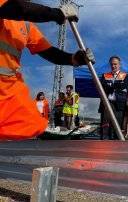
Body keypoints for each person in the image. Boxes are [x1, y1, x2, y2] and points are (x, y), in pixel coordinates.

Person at [0, 0, 94, 140]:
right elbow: (18, 9)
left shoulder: (26, 26)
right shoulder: (7, 6)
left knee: (31, 126)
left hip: (9, 88)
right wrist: (56, 14)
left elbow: (50, 52)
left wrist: (74, 59)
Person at [99, 56, 128, 140]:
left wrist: (111, 86)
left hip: (119, 105)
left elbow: (125, 86)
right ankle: (105, 146)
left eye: (115, 64)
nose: (113, 66)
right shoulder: (104, 75)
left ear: (119, 65)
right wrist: (116, 85)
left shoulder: (125, 76)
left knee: (117, 127)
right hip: (107, 104)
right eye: (112, 64)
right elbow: (102, 87)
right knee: (105, 126)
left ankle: (117, 147)